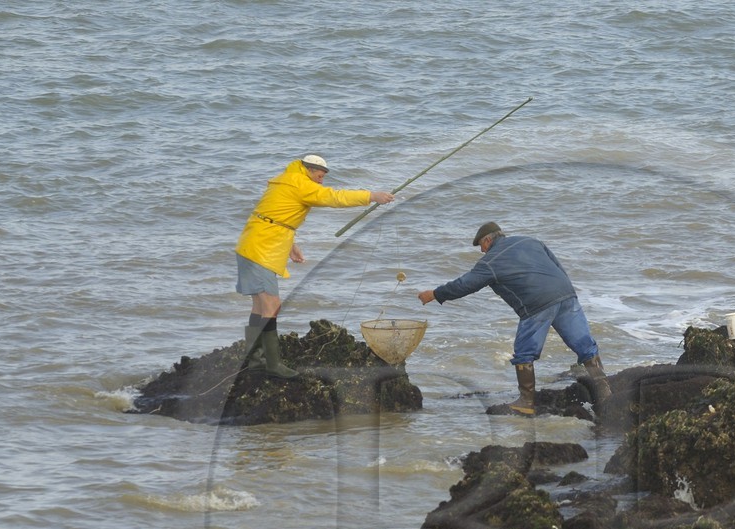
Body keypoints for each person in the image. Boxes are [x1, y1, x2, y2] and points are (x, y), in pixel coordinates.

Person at [418, 222, 612, 415]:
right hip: (566, 294)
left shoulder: (490, 262)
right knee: (584, 345)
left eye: (481, 246)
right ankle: (605, 393)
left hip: (537, 304)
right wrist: (567, 291)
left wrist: (435, 294)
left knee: (524, 352)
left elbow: (464, 285)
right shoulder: (531, 241)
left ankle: (526, 401)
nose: (482, 251)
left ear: (488, 239)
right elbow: (557, 266)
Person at [234, 154, 394, 377]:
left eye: (323, 178)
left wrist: (291, 245)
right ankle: (271, 364)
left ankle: (255, 360)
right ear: (309, 170)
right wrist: (371, 196)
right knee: (272, 305)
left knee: (260, 306)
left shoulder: (286, 179)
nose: (320, 181)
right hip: (261, 249)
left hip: (252, 243)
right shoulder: (300, 184)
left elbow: (274, 214)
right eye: (319, 176)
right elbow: (334, 197)